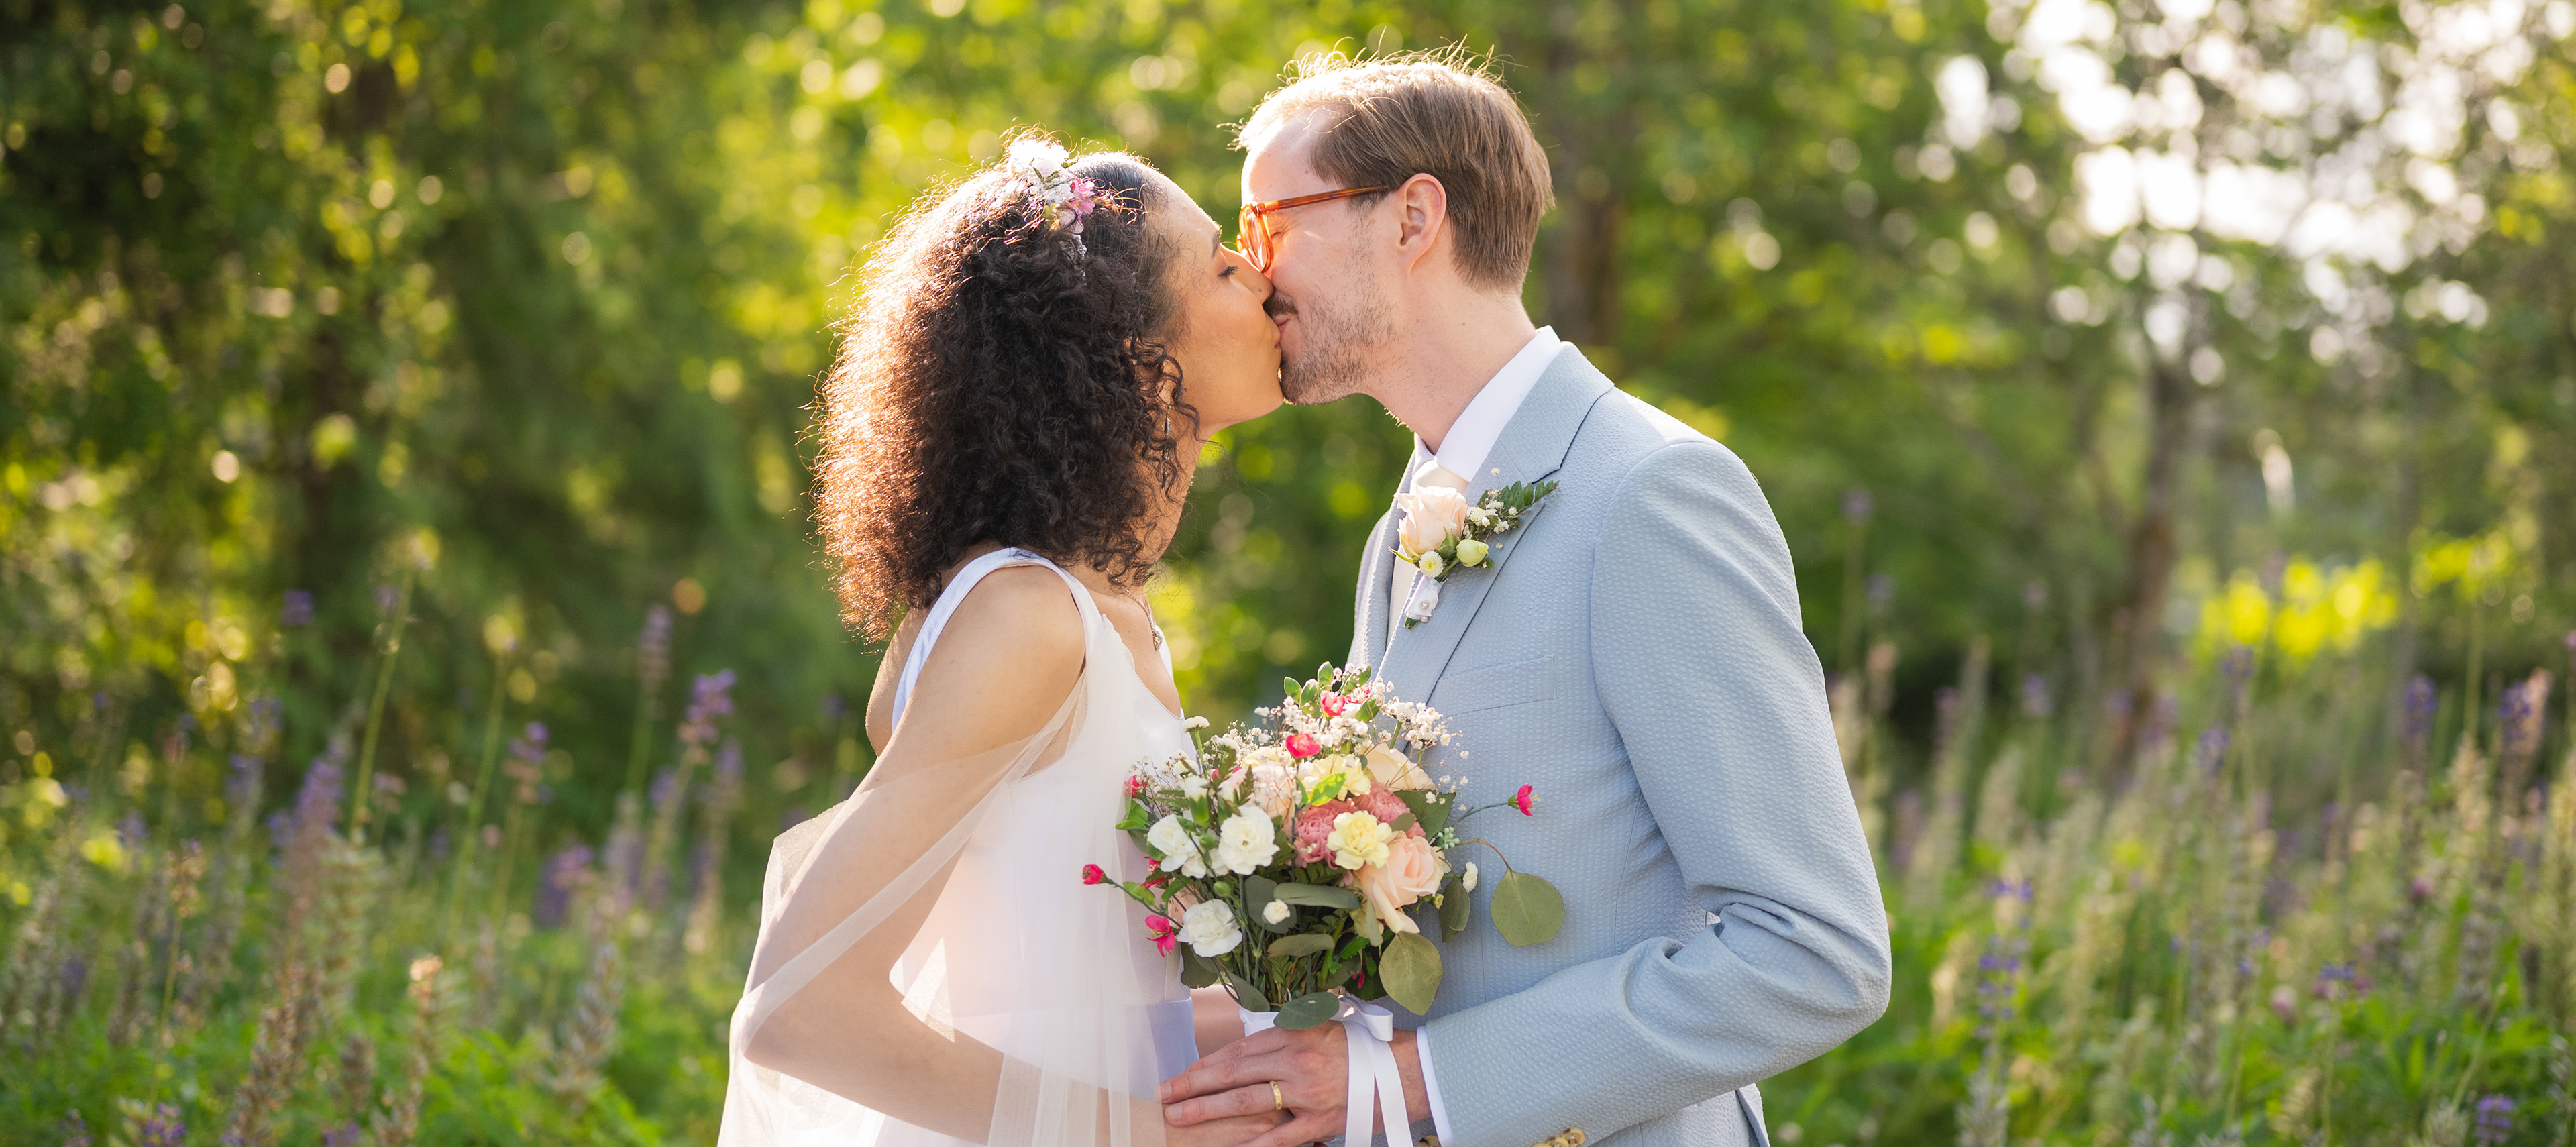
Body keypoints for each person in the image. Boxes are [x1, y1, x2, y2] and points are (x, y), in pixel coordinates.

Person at [1153, 53, 1894, 1147]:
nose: (1255, 272)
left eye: (1271, 220)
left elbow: (1814, 950)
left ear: (1412, 219)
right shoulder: (1402, 524)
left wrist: (1411, 1081)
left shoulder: (1651, 493)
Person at [718, 140, 1290, 1147]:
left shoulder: (1105, 609)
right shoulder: (1026, 616)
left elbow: (1061, 999)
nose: (1261, 272)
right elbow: (796, 1007)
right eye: (1220, 264)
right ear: (1135, 355)